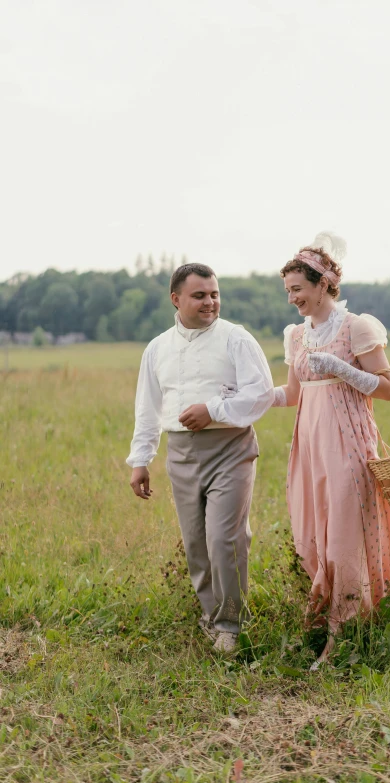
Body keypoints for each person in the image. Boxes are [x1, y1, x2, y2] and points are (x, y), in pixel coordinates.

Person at [273, 232, 390, 668]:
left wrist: (342, 368)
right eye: (287, 291)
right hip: (310, 441)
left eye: (297, 289)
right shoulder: (296, 336)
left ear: (323, 284)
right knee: (311, 533)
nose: (292, 299)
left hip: (348, 439)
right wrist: (235, 401)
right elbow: (291, 393)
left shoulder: (357, 327)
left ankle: (345, 627)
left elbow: (388, 389)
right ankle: (331, 606)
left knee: (343, 531)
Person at [126, 263, 274, 653]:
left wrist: (213, 409)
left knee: (223, 538)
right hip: (181, 455)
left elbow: (260, 393)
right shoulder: (157, 348)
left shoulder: (236, 339)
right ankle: (210, 616)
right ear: (176, 299)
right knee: (196, 543)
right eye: (199, 295)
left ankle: (230, 625)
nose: (210, 302)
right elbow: (147, 407)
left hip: (231, 449)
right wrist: (141, 460)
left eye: (214, 294)